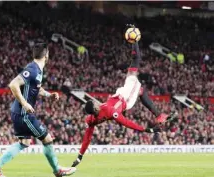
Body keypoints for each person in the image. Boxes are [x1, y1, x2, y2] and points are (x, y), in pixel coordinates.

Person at [71, 32, 177, 167]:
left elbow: (87, 137)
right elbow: (126, 122)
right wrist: (146, 130)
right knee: (136, 72)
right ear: (96, 107)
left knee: (134, 74)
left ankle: (159, 115)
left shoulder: (91, 119)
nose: (97, 101)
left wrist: (80, 156)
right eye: (96, 102)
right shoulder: (109, 111)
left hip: (120, 93)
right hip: (126, 98)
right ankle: (135, 40)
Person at [0, 43, 76, 177]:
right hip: (24, 114)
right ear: (46, 55)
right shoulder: (33, 69)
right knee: (47, 139)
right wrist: (24, 103)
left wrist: (48, 95)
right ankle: (57, 170)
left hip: (18, 112)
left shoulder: (37, 70)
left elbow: (36, 88)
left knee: (24, 142)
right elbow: (13, 84)